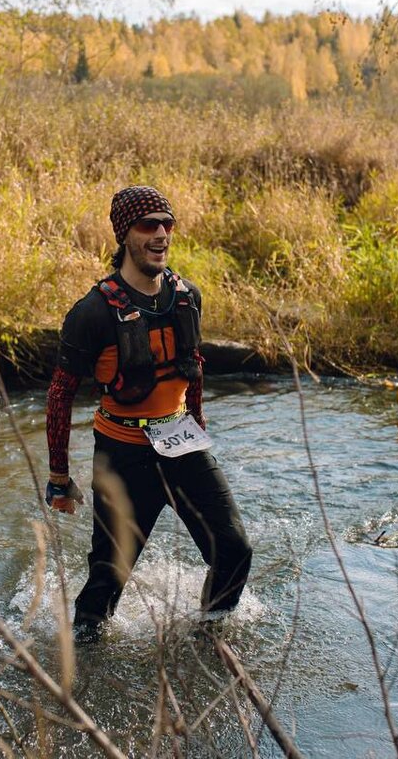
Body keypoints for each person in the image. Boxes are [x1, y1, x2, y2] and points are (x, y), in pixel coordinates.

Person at [45, 185, 252, 643]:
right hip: (122, 454)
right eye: (148, 225)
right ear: (125, 235)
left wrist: (198, 419)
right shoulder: (92, 312)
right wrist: (59, 477)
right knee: (105, 585)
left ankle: (208, 638)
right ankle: (80, 672)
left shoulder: (187, 296)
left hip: (181, 443)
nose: (161, 234)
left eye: (167, 224)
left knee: (234, 549)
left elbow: (191, 366)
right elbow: (60, 394)